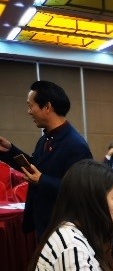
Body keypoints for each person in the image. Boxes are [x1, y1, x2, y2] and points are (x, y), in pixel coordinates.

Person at [0, 80, 92, 238]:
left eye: (31, 106)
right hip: (44, 222)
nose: (29, 112)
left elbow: (82, 189)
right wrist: (9, 150)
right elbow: (35, 168)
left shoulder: (75, 144)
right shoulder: (46, 138)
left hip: (63, 226)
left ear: (47, 107)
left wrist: (42, 180)